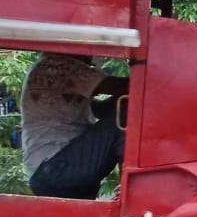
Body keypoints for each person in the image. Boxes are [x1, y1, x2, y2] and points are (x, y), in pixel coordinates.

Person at [21, 53, 129, 199]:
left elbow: (101, 109)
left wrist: (123, 100)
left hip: (51, 171)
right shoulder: (57, 65)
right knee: (122, 117)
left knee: (122, 109)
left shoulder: (50, 71)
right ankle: (131, 189)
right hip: (58, 166)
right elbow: (118, 86)